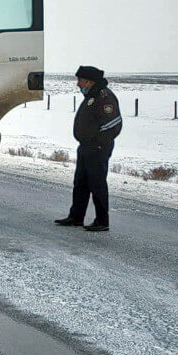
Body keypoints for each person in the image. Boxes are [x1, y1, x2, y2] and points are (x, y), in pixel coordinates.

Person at [55, 66, 122, 231]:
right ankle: (76, 217)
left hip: (98, 148)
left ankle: (102, 221)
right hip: (85, 146)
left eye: (80, 80)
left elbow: (113, 124)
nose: (78, 84)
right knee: (81, 183)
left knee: (97, 183)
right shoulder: (91, 95)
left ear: (89, 81)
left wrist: (98, 142)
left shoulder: (104, 97)